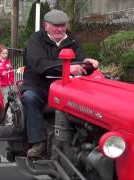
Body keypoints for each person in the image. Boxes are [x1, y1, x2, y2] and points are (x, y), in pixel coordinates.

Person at [20, 9, 99, 159]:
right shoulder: (35, 40)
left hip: (67, 87)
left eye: (62, 25)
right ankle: (38, 143)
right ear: (45, 25)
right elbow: (39, 64)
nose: (60, 29)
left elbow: (80, 64)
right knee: (30, 98)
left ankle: (85, 142)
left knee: (89, 102)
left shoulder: (73, 40)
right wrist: (68, 67)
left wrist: (89, 64)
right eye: (55, 25)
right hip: (39, 86)